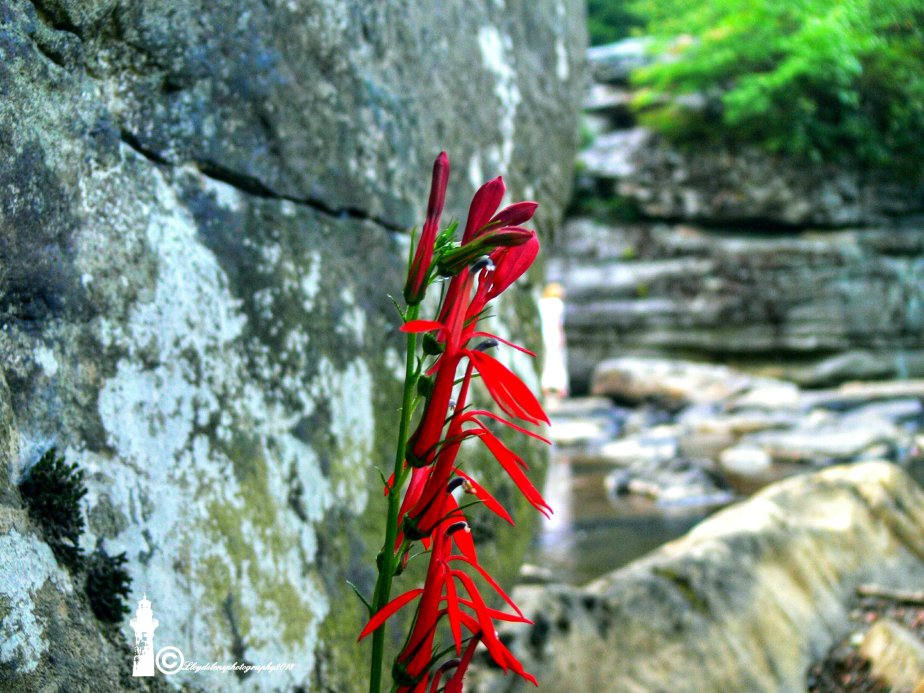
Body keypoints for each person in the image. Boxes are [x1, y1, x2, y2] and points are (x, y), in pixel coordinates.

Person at [539, 282, 569, 398]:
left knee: (546, 359)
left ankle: (545, 386)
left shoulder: (541, 303)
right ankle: (560, 387)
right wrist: (561, 337)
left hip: (544, 333)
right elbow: (558, 324)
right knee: (557, 359)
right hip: (554, 334)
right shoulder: (558, 303)